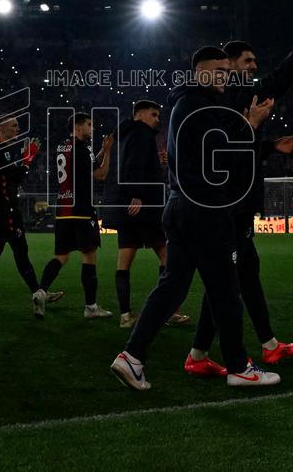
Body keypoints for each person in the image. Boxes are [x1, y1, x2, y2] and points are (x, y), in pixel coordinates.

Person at [111, 46, 279, 390]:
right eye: (218, 70)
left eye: (226, 70)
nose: (225, 75)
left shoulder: (186, 103)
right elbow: (222, 156)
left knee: (173, 286)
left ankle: (133, 356)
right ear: (200, 72)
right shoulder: (200, 106)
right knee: (226, 290)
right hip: (204, 208)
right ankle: (238, 367)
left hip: (181, 206)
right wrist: (251, 126)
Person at [184, 34, 293, 375]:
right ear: (228, 67)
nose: (254, 68)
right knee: (227, 277)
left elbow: (236, 147)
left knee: (237, 273)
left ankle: (222, 351)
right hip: (228, 202)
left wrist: (270, 146)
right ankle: (237, 356)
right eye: (248, 62)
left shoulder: (226, 99)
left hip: (233, 200)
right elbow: (278, 82)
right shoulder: (233, 95)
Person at [103, 99, 190, 328]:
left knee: (124, 262)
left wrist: (156, 164)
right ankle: (171, 311)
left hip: (124, 206)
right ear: (139, 115)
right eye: (153, 114)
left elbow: (130, 165)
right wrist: (137, 194)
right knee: (167, 257)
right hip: (143, 207)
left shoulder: (122, 136)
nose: (157, 119)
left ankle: (125, 316)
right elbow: (134, 165)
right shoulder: (141, 133)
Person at [0, 115, 51, 315]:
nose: (18, 129)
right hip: (4, 208)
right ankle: (38, 292)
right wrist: (28, 160)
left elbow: (9, 178)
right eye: (14, 125)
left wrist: (22, 161)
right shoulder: (1, 149)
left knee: (0, 251)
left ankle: (36, 292)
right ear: (2, 128)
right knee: (17, 251)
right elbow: (16, 178)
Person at [36, 112, 114, 319]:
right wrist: (109, 153)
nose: (93, 128)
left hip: (63, 211)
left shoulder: (63, 146)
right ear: (78, 128)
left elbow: (84, 166)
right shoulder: (82, 148)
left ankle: (41, 291)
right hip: (81, 211)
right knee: (89, 256)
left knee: (61, 256)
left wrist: (100, 151)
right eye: (89, 125)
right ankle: (91, 307)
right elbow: (100, 175)